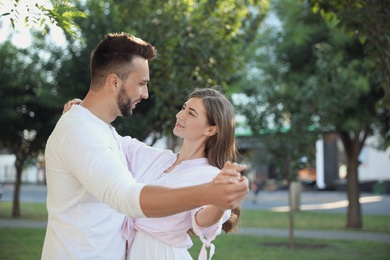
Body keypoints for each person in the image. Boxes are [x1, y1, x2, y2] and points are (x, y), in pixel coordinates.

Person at [41, 32, 248, 259]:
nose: (146, 94)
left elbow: (202, 218)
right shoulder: (82, 130)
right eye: (141, 84)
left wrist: (83, 112)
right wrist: (208, 193)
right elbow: (126, 198)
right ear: (114, 81)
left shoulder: (99, 130)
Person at [121, 88, 241, 260]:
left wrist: (222, 202)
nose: (179, 115)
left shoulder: (209, 175)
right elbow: (117, 142)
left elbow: (201, 219)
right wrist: (85, 114)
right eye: (183, 108)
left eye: (191, 113)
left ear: (211, 130)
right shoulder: (159, 158)